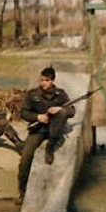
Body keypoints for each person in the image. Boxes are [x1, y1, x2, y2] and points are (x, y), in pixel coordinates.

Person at [17, 66, 75, 204]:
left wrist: (60, 108)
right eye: (42, 80)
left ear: (53, 80)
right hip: (38, 129)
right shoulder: (33, 94)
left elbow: (72, 111)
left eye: (47, 80)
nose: (43, 83)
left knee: (62, 113)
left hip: (54, 129)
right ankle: (22, 192)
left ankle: (50, 147)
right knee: (25, 157)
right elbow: (23, 113)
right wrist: (38, 117)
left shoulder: (60, 94)